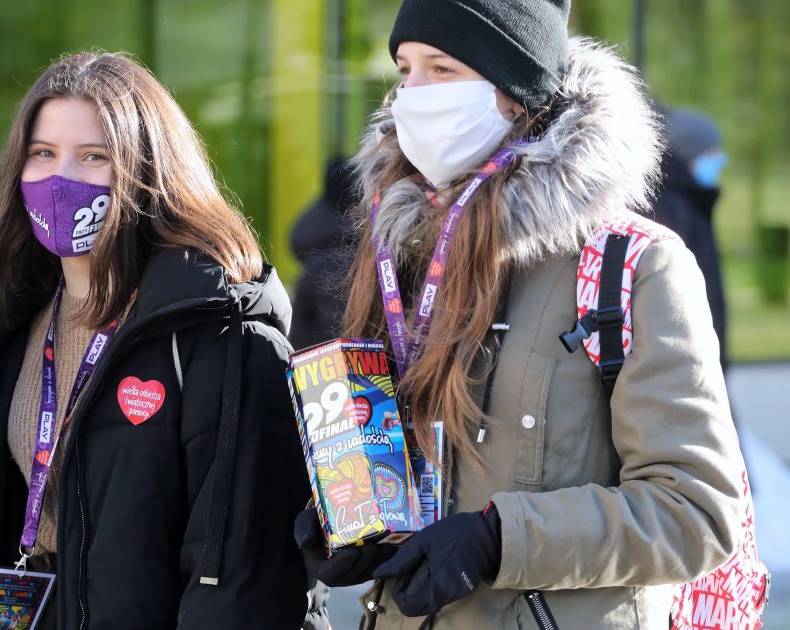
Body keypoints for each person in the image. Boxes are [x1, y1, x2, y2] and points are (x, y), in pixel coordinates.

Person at [293, 1, 747, 628]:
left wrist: (498, 540)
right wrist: (351, 516)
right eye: (404, 70)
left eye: (443, 69)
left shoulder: (632, 266)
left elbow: (695, 514)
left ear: (515, 92)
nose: (411, 97)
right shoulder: (399, 248)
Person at [0, 52, 311, 628]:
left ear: (148, 171)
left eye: (94, 157)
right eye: (43, 154)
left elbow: (245, 582)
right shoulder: (15, 320)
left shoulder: (221, 333)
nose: (61, 179)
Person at [652, 109, 730, 368]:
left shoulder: (687, 198)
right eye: (711, 152)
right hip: (691, 359)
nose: (719, 159)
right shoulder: (672, 206)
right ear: (689, 154)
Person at [289, 156, 360, 349]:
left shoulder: (321, 246)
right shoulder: (341, 259)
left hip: (313, 371)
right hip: (340, 374)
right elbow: (344, 336)